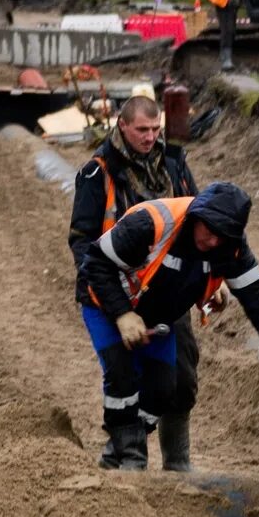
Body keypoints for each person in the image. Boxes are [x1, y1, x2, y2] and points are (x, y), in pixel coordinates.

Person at [81, 182, 259, 471]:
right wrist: (122, 314)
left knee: (163, 388)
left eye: (220, 237)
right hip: (105, 302)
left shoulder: (230, 248)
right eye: (208, 231)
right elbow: (94, 262)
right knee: (122, 378)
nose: (211, 242)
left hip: (158, 312)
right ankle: (130, 462)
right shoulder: (150, 224)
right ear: (196, 217)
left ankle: (115, 454)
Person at [70, 97, 206, 470]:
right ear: (123, 127)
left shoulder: (174, 164)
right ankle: (130, 462)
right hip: (116, 290)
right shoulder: (99, 172)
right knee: (125, 379)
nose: (150, 137)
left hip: (167, 291)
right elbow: (82, 242)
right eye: (142, 130)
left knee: (177, 382)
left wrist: (207, 277)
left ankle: (175, 467)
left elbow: (196, 218)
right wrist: (114, 303)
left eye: (155, 129)